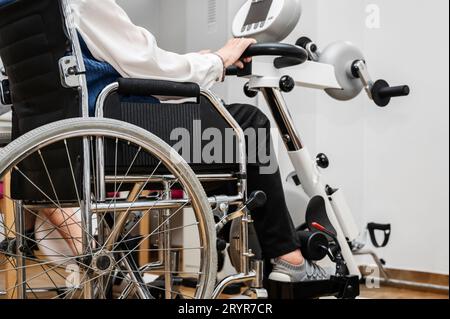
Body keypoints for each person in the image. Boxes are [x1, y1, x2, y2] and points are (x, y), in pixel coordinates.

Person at [0, 0, 330, 283]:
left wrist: (200, 62)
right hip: (112, 134)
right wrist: (219, 60)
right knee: (248, 125)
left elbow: (114, 63)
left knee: (215, 137)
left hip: (59, 144)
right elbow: (145, 64)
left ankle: (218, 236)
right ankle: (289, 258)